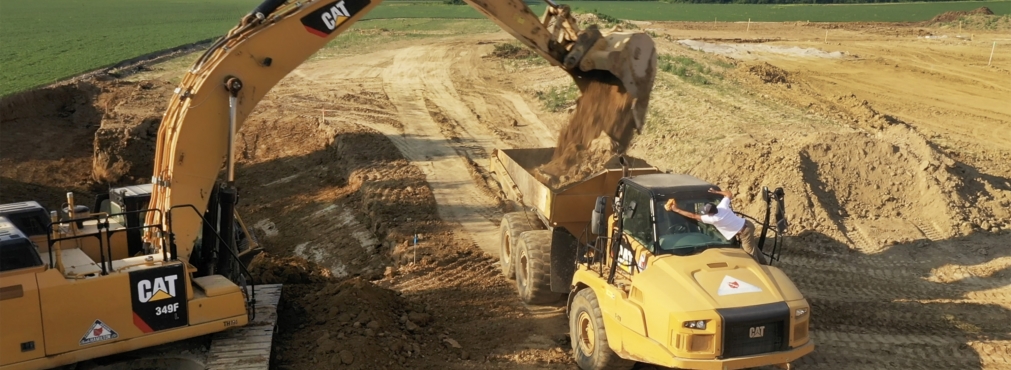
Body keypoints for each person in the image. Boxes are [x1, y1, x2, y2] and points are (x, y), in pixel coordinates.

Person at [663, 187, 767, 264]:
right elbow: (729, 194)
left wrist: (676, 210)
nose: (705, 213)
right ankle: (765, 264)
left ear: (710, 213)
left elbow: (693, 216)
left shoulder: (714, 219)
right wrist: (716, 192)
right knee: (753, 247)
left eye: (706, 212)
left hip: (744, 231)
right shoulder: (722, 207)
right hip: (747, 224)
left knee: (750, 256)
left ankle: (760, 270)